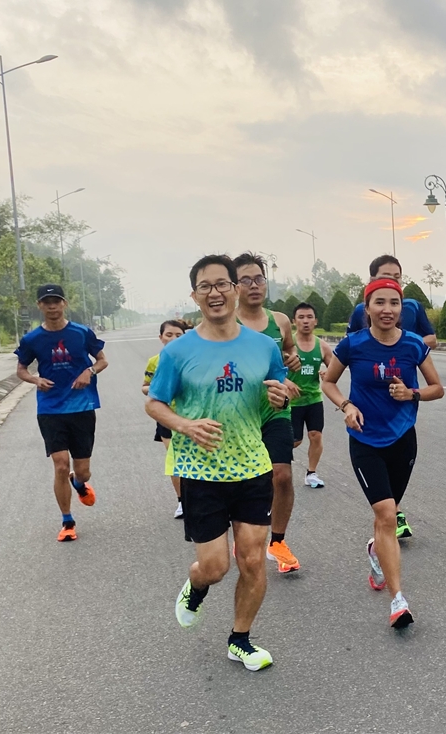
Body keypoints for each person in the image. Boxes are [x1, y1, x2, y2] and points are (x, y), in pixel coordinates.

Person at [146, 254, 290, 671]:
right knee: (215, 566)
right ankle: (196, 585)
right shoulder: (179, 351)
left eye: (222, 284)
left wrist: (280, 397)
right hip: (200, 472)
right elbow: (155, 403)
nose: (215, 293)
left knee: (252, 559)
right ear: (195, 296)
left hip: (252, 467)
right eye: (205, 286)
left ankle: (240, 639)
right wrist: (185, 425)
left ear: (236, 289)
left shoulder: (263, 346)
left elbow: (277, 393)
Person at [322, 278, 444, 629]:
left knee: (386, 518)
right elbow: (328, 382)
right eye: (379, 302)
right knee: (387, 514)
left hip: (403, 439)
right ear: (367, 308)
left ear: (401, 308)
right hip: (365, 440)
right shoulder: (353, 344)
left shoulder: (413, 344)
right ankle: (398, 600)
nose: (387, 309)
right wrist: (346, 405)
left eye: (394, 303)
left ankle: (377, 549)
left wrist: (412, 394)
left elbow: (437, 388)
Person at [15, 284, 108, 542]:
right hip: (50, 408)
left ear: (64, 304)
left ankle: (78, 483)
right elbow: (21, 369)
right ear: (40, 306)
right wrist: (35, 380)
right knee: (60, 465)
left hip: (82, 407)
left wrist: (89, 371)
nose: (52, 306)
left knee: (83, 471)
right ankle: (67, 521)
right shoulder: (32, 339)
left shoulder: (81, 332)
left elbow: (102, 360)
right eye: (47, 302)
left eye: (56, 301)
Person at [233, 252, 304, 574]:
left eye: (259, 279)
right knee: (246, 481)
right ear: (234, 286)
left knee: (282, 475)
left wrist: (292, 361)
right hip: (238, 415)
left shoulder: (280, 321)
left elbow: (288, 350)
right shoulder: (226, 324)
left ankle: (277, 542)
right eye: (245, 280)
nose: (254, 285)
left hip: (276, 410)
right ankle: (245, 535)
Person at [142, 319, 190, 518]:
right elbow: (145, 386)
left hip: (191, 415)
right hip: (166, 416)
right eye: (169, 335)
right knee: (176, 458)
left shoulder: (194, 357)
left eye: (178, 335)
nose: (173, 338)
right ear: (160, 337)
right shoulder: (155, 361)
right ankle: (182, 502)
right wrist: (160, 390)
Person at [346, 255, 437, 350]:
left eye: (397, 276)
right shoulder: (360, 310)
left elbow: (432, 340)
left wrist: (405, 346)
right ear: (372, 279)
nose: (393, 280)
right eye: (386, 276)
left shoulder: (413, 306)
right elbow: (348, 343)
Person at [290, 302, 334, 488]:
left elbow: (334, 369)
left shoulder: (322, 346)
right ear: (294, 321)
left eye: (309, 317)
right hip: (292, 402)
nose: (305, 321)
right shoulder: (288, 345)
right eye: (301, 317)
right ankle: (273, 465)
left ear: (315, 321)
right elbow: (273, 369)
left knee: (315, 435)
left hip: (314, 399)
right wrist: (285, 382)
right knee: (295, 441)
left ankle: (311, 473)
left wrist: (327, 374)